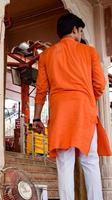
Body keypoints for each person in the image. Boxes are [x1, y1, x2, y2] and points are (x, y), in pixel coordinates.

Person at [32, 13, 112, 200]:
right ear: (74, 30)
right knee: (90, 162)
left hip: (60, 113)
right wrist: (86, 96)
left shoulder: (46, 56)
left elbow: (41, 89)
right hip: (85, 112)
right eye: (80, 31)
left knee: (65, 164)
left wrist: (36, 118)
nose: (81, 35)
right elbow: (100, 85)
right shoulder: (89, 52)